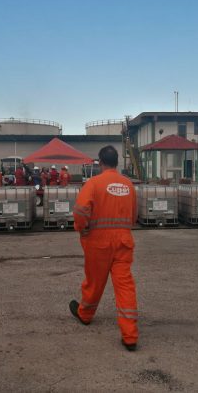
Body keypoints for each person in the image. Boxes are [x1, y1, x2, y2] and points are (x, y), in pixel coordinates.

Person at [69, 145, 139, 352]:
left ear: (100, 162)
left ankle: (85, 314)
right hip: (124, 241)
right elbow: (134, 215)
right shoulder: (128, 184)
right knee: (125, 285)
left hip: (98, 242)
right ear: (117, 162)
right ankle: (130, 336)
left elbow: (81, 210)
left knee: (94, 282)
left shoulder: (94, 183)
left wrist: (81, 228)